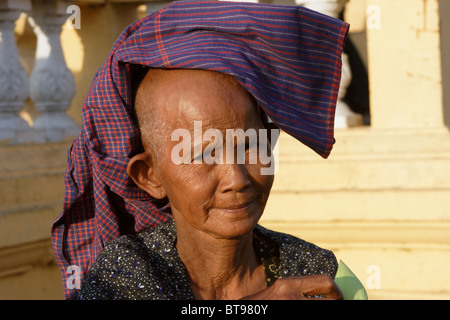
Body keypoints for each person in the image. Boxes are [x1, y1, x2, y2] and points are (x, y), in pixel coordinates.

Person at [52, 0, 349, 300]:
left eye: (250, 146)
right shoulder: (123, 274)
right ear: (149, 176)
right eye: (204, 155)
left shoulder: (310, 268)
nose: (237, 179)